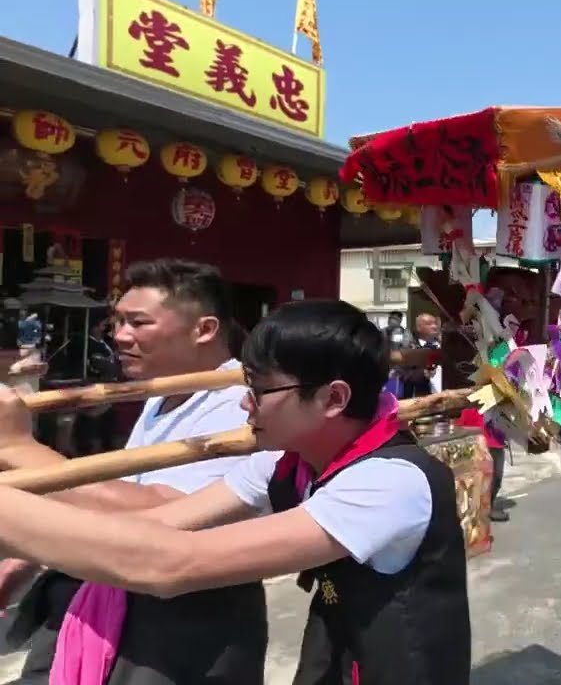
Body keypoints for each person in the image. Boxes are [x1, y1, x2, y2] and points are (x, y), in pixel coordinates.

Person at [0, 299, 471, 684]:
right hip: (338, 653)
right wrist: (21, 468)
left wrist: (17, 457)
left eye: (260, 389)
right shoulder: (283, 462)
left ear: (333, 399)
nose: (245, 403)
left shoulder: (388, 483)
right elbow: (155, 524)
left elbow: (172, 562)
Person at [0, 258, 265, 683]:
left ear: (205, 330)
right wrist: (27, 556)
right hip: (113, 596)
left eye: (138, 323)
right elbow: (126, 487)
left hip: (182, 619)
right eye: (118, 321)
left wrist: (16, 448)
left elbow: (165, 511)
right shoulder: (165, 392)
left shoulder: (240, 401)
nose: (120, 336)